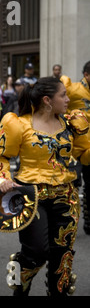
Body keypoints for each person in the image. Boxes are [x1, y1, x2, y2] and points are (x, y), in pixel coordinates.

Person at [0, 77, 90, 296]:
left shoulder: (71, 123)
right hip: (30, 195)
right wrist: (3, 179)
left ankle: (58, 292)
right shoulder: (18, 123)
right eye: (63, 95)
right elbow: (0, 156)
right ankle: (18, 274)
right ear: (47, 100)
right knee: (36, 252)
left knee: (62, 253)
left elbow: (84, 155)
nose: (68, 99)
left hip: (67, 196)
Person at [66, 60, 90, 234]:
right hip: (74, 147)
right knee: (73, 185)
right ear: (86, 75)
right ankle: (67, 222)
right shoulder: (72, 89)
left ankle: (88, 221)